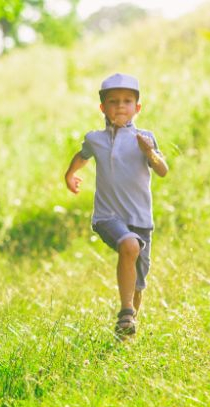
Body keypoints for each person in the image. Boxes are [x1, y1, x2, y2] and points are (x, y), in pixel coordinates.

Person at [64, 73, 169, 338]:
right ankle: (125, 313)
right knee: (129, 245)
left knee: (138, 282)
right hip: (107, 216)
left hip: (140, 218)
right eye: (113, 102)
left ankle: (127, 329)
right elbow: (82, 155)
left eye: (127, 101)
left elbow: (162, 170)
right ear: (103, 108)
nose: (120, 106)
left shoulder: (145, 138)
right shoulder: (95, 138)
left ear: (137, 108)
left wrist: (150, 152)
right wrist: (70, 174)